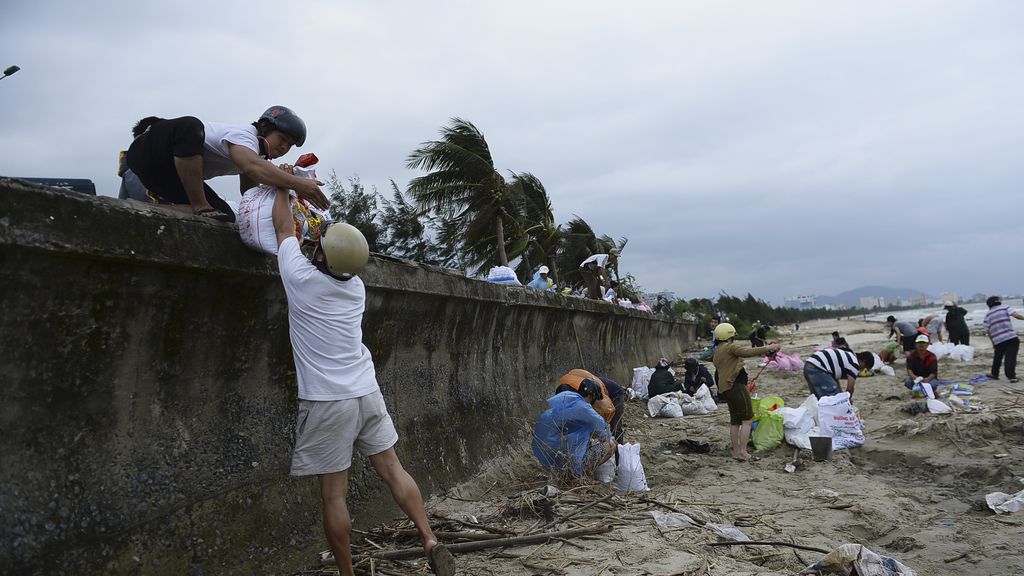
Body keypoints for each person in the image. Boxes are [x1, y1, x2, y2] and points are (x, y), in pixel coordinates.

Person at [269, 189, 453, 576]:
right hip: (366, 392)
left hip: (326, 401)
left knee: (334, 494)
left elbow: (284, 229)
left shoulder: (301, 278)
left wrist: (281, 185)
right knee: (393, 470)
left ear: (321, 256)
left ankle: (348, 573)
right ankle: (429, 538)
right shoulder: (355, 287)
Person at [126, 106, 328, 222]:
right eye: (282, 139)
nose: (284, 147)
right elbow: (252, 167)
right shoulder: (245, 136)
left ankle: (143, 209)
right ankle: (200, 205)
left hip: (166, 175)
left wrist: (284, 194)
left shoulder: (257, 157)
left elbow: (249, 193)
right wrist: (297, 183)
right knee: (190, 126)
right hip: (148, 150)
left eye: (290, 145)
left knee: (225, 216)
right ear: (264, 127)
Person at [712, 323, 780, 461]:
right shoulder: (729, 347)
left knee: (735, 421)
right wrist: (769, 347)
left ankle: (736, 452)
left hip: (725, 388)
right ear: (729, 336)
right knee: (748, 418)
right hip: (736, 386)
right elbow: (746, 352)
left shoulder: (717, 350)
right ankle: (743, 452)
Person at [532, 379, 616, 478]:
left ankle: (569, 472)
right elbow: (604, 434)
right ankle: (581, 475)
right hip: (563, 459)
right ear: (591, 396)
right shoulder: (585, 408)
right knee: (610, 445)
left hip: (545, 459)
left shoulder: (569, 402)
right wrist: (612, 440)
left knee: (586, 437)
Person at [803, 348, 874, 400]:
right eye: (864, 367)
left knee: (818, 398)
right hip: (818, 368)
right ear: (864, 362)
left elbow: (834, 379)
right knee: (833, 398)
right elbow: (850, 388)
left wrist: (841, 393)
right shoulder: (854, 364)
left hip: (809, 365)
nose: (861, 370)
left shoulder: (849, 356)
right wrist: (847, 401)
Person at [983, 296, 1023, 383]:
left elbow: (988, 331)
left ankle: (994, 374)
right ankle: (1011, 376)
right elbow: (1016, 315)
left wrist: (993, 342)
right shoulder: (1005, 307)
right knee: (1010, 357)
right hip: (1011, 337)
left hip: (998, 340)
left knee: (997, 357)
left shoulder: (988, 315)